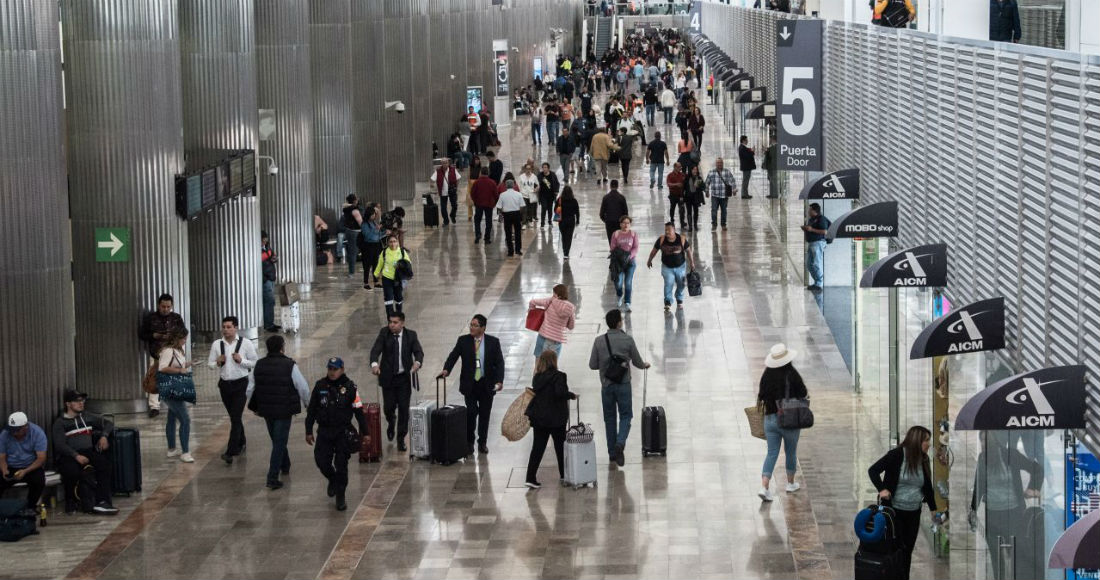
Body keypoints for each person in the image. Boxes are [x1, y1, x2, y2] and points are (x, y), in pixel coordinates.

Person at [867, 425, 937, 580]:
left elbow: (927, 486)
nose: (929, 444)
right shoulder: (897, 455)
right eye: (926, 440)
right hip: (894, 512)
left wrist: (933, 510)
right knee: (895, 549)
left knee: (907, 551)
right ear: (916, 441)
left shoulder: (924, 459)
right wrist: (882, 489)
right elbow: (873, 470)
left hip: (914, 512)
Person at [247, 335, 311, 490]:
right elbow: (302, 386)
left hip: (266, 410)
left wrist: (255, 405)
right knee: (279, 441)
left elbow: (250, 388)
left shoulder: (259, 365)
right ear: (282, 347)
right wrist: (308, 403)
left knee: (277, 439)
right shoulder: (289, 365)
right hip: (284, 410)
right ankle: (272, 476)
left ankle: (285, 464)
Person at [588, 309, 650, 467]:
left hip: (606, 386)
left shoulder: (599, 341)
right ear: (618, 323)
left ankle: (612, 454)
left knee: (609, 419)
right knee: (626, 416)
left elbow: (592, 365)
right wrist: (644, 365)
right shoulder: (627, 340)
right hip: (623, 385)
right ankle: (620, 443)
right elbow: (637, 362)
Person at [305, 357, 367, 511]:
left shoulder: (350, 387)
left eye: (335, 369)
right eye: (330, 369)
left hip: (342, 432)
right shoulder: (320, 386)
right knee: (321, 461)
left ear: (342, 369)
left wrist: (365, 432)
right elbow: (312, 410)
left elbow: (358, 411)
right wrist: (308, 430)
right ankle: (332, 479)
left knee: (341, 465)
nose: (332, 372)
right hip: (325, 431)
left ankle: (340, 495)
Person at [441, 314, 505, 456]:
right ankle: (469, 441)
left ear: (483, 328)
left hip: (486, 384)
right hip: (470, 384)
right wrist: (447, 369)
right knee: (471, 412)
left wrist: (499, 381)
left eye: (475, 325)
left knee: (484, 414)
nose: (472, 327)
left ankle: (482, 442)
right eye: (471, 325)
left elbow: (499, 362)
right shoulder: (463, 341)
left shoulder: (493, 342)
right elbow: (453, 356)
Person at [51, 389, 119, 514]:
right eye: (77, 401)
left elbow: (109, 423)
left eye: (82, 401)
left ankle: (102, 501)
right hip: (70, 454)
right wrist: (76, 456)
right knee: (71, 471)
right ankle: (71, 500)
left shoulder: (87, 417)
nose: (81, 403)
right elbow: (60, 445)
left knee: (104, 465)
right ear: (68, 404)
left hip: (87, 451)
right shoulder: (60, 423)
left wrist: (104, 436)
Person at [756, 343, 807, 501]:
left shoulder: (766, 375)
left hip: (770, 420)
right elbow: (803, 392)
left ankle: (764, 487)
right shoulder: (792, 374)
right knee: (790, 452)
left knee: (772, 453)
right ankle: (790, 484)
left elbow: (761, 395)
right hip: (790, 419)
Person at [369, 312, 424, 453]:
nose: (392, 325)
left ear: (402, 323)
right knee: (388, 407)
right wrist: (375, 364)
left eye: (395, 322)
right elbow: (375, 350)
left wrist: (417, 363)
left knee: (404, 410)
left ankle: (401, 438)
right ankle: (391, 420)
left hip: (404, 378)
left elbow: (419, 352)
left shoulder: (411, 335)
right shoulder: (384, 333)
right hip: (388, 378)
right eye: (390, 322)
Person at [208, 316, 259, 464]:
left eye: (229, 327)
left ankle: (231, 451)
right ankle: (242, 441)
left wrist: (241, 361)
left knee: (236, 417)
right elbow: (210, 364)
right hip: (224, 385)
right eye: (224, 327)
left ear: (236, 328)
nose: (226, 330)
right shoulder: (217, 344)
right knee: (234, 417)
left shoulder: (246, 343)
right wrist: (217, 362)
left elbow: (255, 362)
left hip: (241, 384)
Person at [524, 350, 576, 489]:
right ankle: (564, 475)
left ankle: (530, 477)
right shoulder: (559, 376)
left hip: (540, 418)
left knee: (537, 448)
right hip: (556, 419)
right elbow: (560, 393)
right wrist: (571, 395)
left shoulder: (537, 378)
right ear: (554, 360)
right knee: (560, 447)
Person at [139, 293, 186, 418]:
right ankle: (154, 407)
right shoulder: (151, 318)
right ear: (158, 305)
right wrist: (154, 336)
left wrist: (176, 339)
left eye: (168, 307)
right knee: (155, 380)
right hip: (156, 354)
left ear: (171, 306)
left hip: (173, 354)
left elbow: (184, 332)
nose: (165, 309)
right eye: (163, 306)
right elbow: (142, 334)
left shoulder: (176, 318)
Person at [158, 328, 194, 462]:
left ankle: (172, 449)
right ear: (177, 339)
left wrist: (187, 364)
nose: (185, 341)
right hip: (171, 389)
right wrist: (180, 370)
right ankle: (185, 452)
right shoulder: (168, 351)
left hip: (176, 387)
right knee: (185, 419)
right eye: (183, 339)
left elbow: (176, 364)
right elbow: (162, 367)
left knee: (172, 417)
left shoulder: (178, 351)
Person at [0, 412, 48, 511]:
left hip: (30, 466)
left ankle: (30, 508)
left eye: (17, 430)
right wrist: (4, 469)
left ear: (25, 427)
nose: (13, 433)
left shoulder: (37, 433)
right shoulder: (5, 434)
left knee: (39, 481)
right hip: (11, 466)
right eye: (12, 430)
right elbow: (1, 456)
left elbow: (41, 458)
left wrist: (25, 471)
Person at [646, 222, 695, 311]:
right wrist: (649, 260)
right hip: (667, 267)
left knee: (681, 284)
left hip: (680, 267)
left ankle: (679, 299)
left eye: (669, 230)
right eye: (665, 230)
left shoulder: (681, 239)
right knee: (668, 283)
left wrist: (692, 263)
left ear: (674, 229)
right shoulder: (661, 239)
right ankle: (668, 301)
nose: (667, 232)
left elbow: (688, 251)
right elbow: (654, 251)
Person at [528, 284, 577, 359]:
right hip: (557, 340)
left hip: (544, 336)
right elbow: (571, 326)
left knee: (539, 364)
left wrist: (531, 311)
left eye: (553, 293)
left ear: (556, 295)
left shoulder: (550, 301)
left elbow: (532, 302)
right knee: (552, 365)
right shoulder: (570, 308)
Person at [374, 235, 411, 316]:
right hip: (387, 278)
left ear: (397, 242)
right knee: (388, 299)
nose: (393, 243)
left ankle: (399, 316)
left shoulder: (402, 252)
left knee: (398, 298)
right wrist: (376, 274)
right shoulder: (384, 252)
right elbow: (380, 264)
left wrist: (401, 265)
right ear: (387, 243)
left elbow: (408, 263)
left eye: (394, 241)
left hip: (398, 279)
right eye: (390, 242)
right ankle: (390, 319)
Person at [609, 216, 639, 312]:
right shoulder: (616, 234)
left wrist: (629, 256)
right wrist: (621, 256)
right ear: (620, 224)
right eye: (624, 223)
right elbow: (612, 248)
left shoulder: (633, 234)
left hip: (630, 262)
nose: (626, 225)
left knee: (628, 282)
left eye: (628, 223)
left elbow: (635, 247)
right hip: (618, 263)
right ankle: (619, 294)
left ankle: (627, 302)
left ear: (630, 224)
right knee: (618, 283)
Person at [802, 203, 830, 292]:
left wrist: (811, 229)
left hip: (818, 243)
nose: (808, 211)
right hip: (811, 243)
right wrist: (806, 229)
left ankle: (819, 283)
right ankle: (816, 282)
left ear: (814, 211)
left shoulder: (821, 219)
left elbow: (825, 231)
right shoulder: (811, 219)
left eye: (810, 210)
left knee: (816, 264)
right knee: (809, 264)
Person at [704, 158, 737, 230]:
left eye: (721, 163)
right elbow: (707, 182)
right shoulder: (711, 172)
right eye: (718, 163)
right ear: (716, 164)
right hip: (715, 195)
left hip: (724, 195)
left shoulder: (727, 172)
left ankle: (723, 224)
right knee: (714, 210)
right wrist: (706, 191)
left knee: (724, 211)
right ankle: (714, 224)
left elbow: (732, 180)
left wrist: (734, 189)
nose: (719, 164)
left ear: (723, 164)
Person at [496, 179, 526, 257]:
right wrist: (519, 212)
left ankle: (510, 251)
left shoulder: (502, 195)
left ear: (506, 186)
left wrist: (502, 212)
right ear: (513, 185)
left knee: (508, 233)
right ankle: (518, 250)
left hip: (507, 215)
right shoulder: (518, 194)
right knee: (518, 232)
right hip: (516, 213)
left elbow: (499, 207)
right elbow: (522, 206)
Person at [470, 167, 499, 244]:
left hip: (479, 204)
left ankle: (478, 234)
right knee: (488, 221)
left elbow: (472, 193)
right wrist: (495, 203)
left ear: (481, 173)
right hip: (489, 204)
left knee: (477, 220)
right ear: (488, 173)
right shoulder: (492, 182)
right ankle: (487, 238)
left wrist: (475, 201)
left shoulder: (476, 182)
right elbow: (496, 195)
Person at [360, 205, 384, 290]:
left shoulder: (373, 222)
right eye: (372, 214)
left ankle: (376, 281)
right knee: (367, 265)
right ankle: (366, 282)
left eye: (374, 214)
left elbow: (378, 235)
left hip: (376, 245)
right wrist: (376, 229)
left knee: (375, 264)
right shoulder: (364, 224)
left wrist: (384, 233)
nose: (374, 216)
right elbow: (367, 235)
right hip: (368, 246)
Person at [341, 194, 364, 276]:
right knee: (354, 252)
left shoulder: (346, 209)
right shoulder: (355, 210)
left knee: (351, 252)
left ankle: (351, 271)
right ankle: (351, 272)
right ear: (355, 201)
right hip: (355, 232)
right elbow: (360, 222)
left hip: (349, 231)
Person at [434, 158, 460, 226]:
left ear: (448, 163)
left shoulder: (453, 170)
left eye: (446, 163)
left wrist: (456, 187)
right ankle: (446, 221)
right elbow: (432, 179)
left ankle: (452, 215)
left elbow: (458, 178)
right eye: (443, 163)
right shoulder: (438, 171)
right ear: (441, 164)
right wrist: (432, 185)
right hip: (443, 192)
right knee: (443, 208)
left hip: (452, 190)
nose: (445, 164)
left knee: (454, 205)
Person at [557, 186, 581, 259]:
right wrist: (577, 220)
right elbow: (577, 211)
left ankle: (564, 250)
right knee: (569, 237)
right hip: (571, 221)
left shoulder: (560, 200)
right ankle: (567, 252)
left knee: (563, 236)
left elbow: (556, 210)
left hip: (562, 221)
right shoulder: (574, 201)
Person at [537, 162, 560, 229]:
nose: (544, 169)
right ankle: (542, 223)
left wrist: (556, 191)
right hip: (543, 195)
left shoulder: (552, 175)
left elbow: (557, 183)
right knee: (544, 208)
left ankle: (550, 221)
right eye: (543, 167)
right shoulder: (540, 175)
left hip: (551, 195)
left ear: (548, 168)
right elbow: (536, 183)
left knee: (550, 209)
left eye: (545, 167)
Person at [684, 164, 706, 233]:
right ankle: (690, 226)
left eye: (696, 169)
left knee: (696, 211)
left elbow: (703, 187)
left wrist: (699, 186)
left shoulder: (699, 178)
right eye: (694, 169)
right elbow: (684, 187)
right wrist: (681, 196)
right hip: (688, 197)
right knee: (689, 212)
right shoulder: (687, 178)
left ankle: (695, 225)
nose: (695, 171)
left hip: (696, 197)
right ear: (691, 170)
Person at [518, 163, 540, 229]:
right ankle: (524, 223)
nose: (528, 170)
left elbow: (538, 185)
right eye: (527, 169)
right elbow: (519, 186)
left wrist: (536, 189)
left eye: (529, 169)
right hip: (524, 195)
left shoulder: (534, 177)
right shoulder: (521, 177)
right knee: (524, 209)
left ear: (531, 169)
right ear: (525, 169)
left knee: (531, 209)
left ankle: (530, 221)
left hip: (531, 195)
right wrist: (520, 193)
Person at [665, 162, 686, 228]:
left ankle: (682, 222)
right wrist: (676, 184)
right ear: (675, 167)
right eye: (679, 167)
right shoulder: (670, 175)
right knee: (672, 208)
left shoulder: (682, 175)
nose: (680, 168)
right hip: (673, 195)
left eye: (680, 167)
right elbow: (668, 184)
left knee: (682, 209)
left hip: (681, 195)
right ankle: (672, 220)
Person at [466, 155, 482, 222]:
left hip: (477, 184)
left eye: (478, 160)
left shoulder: (480, 168)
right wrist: (470, 183)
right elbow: (468, 176)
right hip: (470, 185)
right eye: (476, 160)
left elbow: (480, 177)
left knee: (477, 201)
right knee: (469, 200)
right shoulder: (470, 167)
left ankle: (477, 214)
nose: (477, 161)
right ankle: (469, 215)